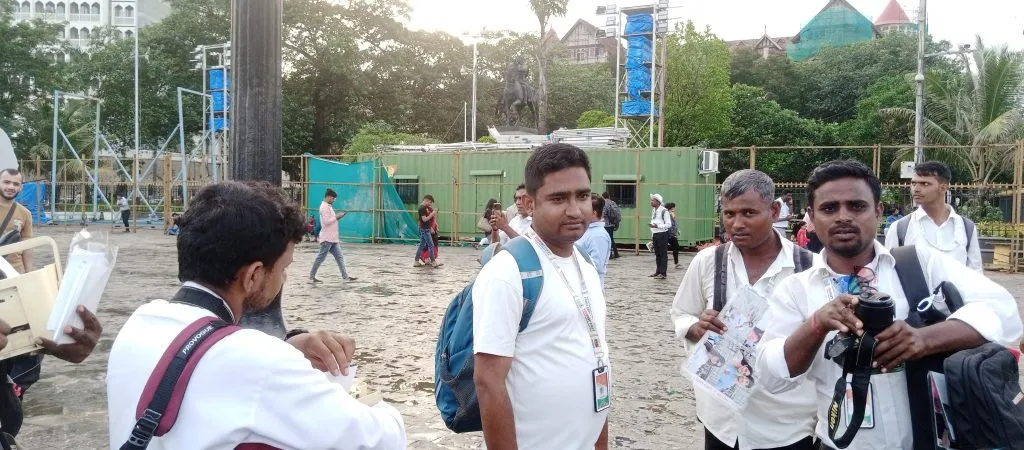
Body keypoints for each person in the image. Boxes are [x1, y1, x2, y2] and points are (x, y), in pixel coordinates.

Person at [106, 181, 406, 449]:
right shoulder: (259, 361)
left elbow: (212, 379)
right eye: (284, 268)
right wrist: (351, 390)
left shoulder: (139, 323)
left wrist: (287, 348)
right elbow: (384, 439)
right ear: (252, 276)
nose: (284, 279)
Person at [756, 160, 1022, 450]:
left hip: (931, 442)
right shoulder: (796, 289)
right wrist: (816, 325)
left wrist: (923, 339)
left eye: (857, 206)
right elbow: (771, 376)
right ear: (811, 216)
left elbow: (1003, 311)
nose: (843, 217)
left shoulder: (918, 264)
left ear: (878, 211)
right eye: (829, 208)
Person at [473, 143, 610, 450]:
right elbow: (489, 383)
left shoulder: (584, 264)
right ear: (531, 204)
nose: (575, 210)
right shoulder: (509, 272)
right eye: (558, 198)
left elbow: (597, 358)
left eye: (583, 196)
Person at [671, 169, 818, 450]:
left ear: (774, 211)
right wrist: (695, 328)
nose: (736, 224)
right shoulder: (708, 262)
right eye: (729, 214)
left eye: (749, 213)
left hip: (785, 425)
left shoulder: (808, 268)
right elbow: (681, 313)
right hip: (722, 422)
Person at [884, 161, 982, 272]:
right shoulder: (900, 228)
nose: (916, 189)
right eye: (914, 183)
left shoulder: (966, 227)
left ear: (943, 188)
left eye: (925, 184)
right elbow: (889, 273)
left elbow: (976, 274)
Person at [310, 189, 357, 282]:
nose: (334, 200)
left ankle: (345, 276)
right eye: (333, 198)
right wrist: (337, 217)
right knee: (320, 258)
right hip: (327, 238)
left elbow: (331, 220)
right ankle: (311, 276)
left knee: (339, 257)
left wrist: (337, 217)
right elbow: (326, 222)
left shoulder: (328, 206)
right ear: (328, 197)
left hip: (333, 238)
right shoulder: (324, 207)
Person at [0, 169, 32, 272]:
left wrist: (28, 273)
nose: (10, 187)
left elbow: (27, 246)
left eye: (15, 184)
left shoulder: (25, 213)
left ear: (21, 187)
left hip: (14, 272)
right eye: (6, 182)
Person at [577, 193, 611, 287]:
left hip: (590, 286)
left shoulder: (598, 235)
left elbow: (597, 265)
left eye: (584, 210)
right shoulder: (586, 231)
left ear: (594, 213)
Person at [415, 194, 441, 268]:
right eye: (430, 203)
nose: (430, 205)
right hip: (425, 229)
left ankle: (416, 261)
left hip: (426, 229)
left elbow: (427, 220)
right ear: (426, 200)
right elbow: (424, 219)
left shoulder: (424, 208)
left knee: (422, 245)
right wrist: (432, 214)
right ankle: (433, 262)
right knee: (431, 245)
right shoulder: (422, 208)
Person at [649, 193, 671, 279]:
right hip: (655, 234)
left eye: (653, 200)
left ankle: (663, 273)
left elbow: (668, 224)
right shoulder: (654, 210)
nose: (651, 202)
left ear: (658, 202)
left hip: (662, 234)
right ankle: (658, 271)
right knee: (657, 254)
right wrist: (652, 233)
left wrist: (658, 226)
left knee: (663, 254)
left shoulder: (664, 211)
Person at [601, 192, 621, 259]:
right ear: (608, 196)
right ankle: (615, 253)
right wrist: (616, 223)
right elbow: (617, 213)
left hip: (606, 224)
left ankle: (610, 254)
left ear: (603, 197)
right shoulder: (613, 202)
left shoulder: (604, 203)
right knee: (611, 239)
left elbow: (604, 212)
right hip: (612, 223)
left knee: (607, 239)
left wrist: (601, 219)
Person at [665, 202, 681, 269]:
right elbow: (670, 225)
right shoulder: (667, 215)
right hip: (669, 234)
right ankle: (675, 263)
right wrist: (673, 233)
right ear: (670, 208)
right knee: (675, 247)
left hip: (672, 234)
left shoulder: (672, 214)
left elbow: (675, 224)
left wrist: (677, 230)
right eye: (673, 207)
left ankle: (676, 262)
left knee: (676, 247)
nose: (674, 209)